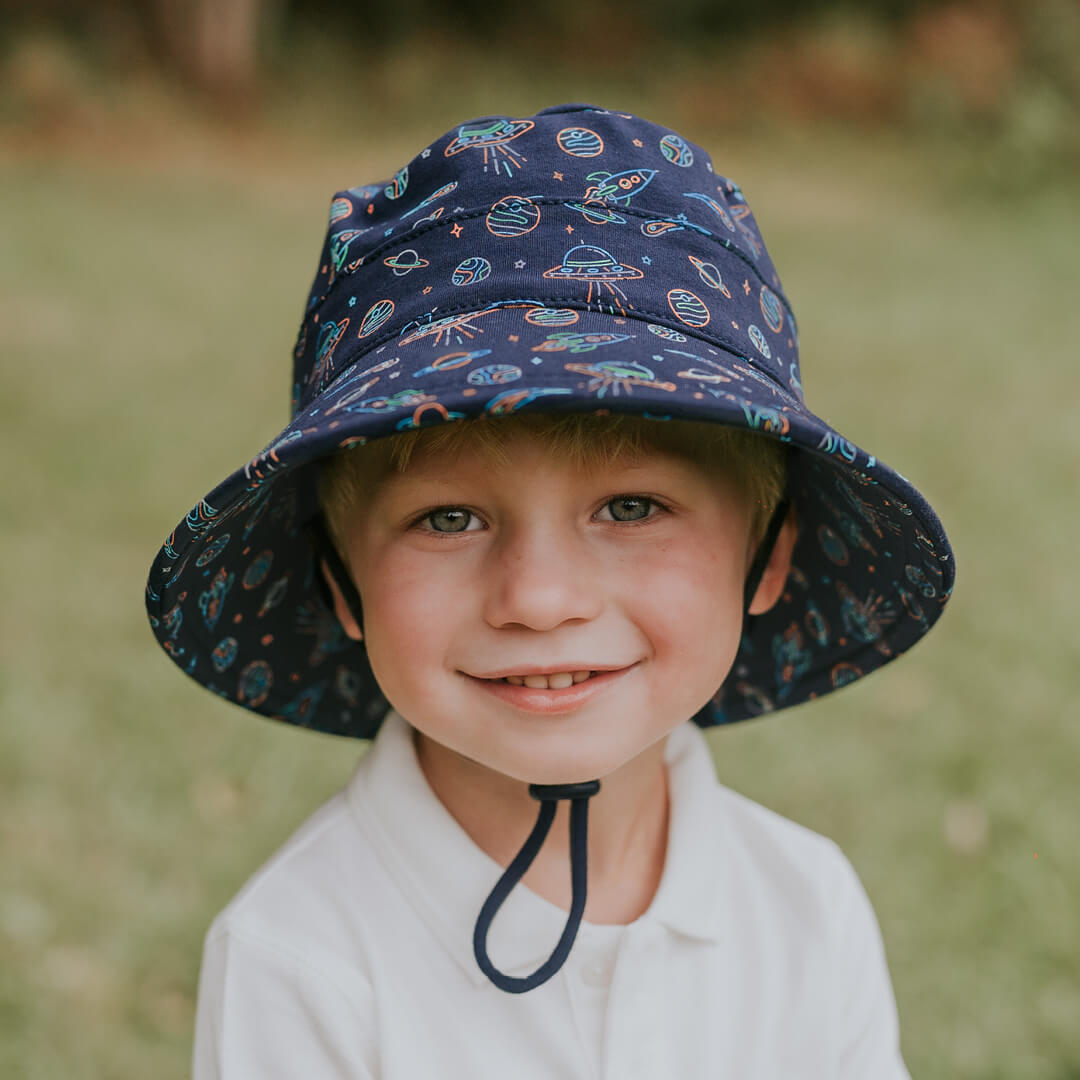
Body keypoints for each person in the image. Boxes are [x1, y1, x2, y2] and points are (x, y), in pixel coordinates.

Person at [146, 102, 954, 1078]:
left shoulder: (805, 907)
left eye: (631, 507)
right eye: (449, 519)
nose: (538, 598)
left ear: (767, 557)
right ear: (340, 583)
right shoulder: (301, 955)